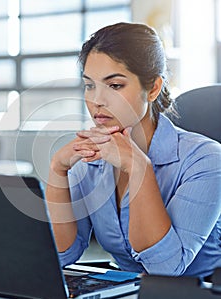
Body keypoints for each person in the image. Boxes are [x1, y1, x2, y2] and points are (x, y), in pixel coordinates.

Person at [45, 22, 221, 279]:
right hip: (126, 292)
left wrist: (139, 167)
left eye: (115, 85)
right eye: (89, 85)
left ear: (152, 88)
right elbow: (62, 254)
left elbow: (166, 268)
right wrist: (57, 170)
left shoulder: (206, 160)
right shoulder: (90, 159)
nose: (97, 100)